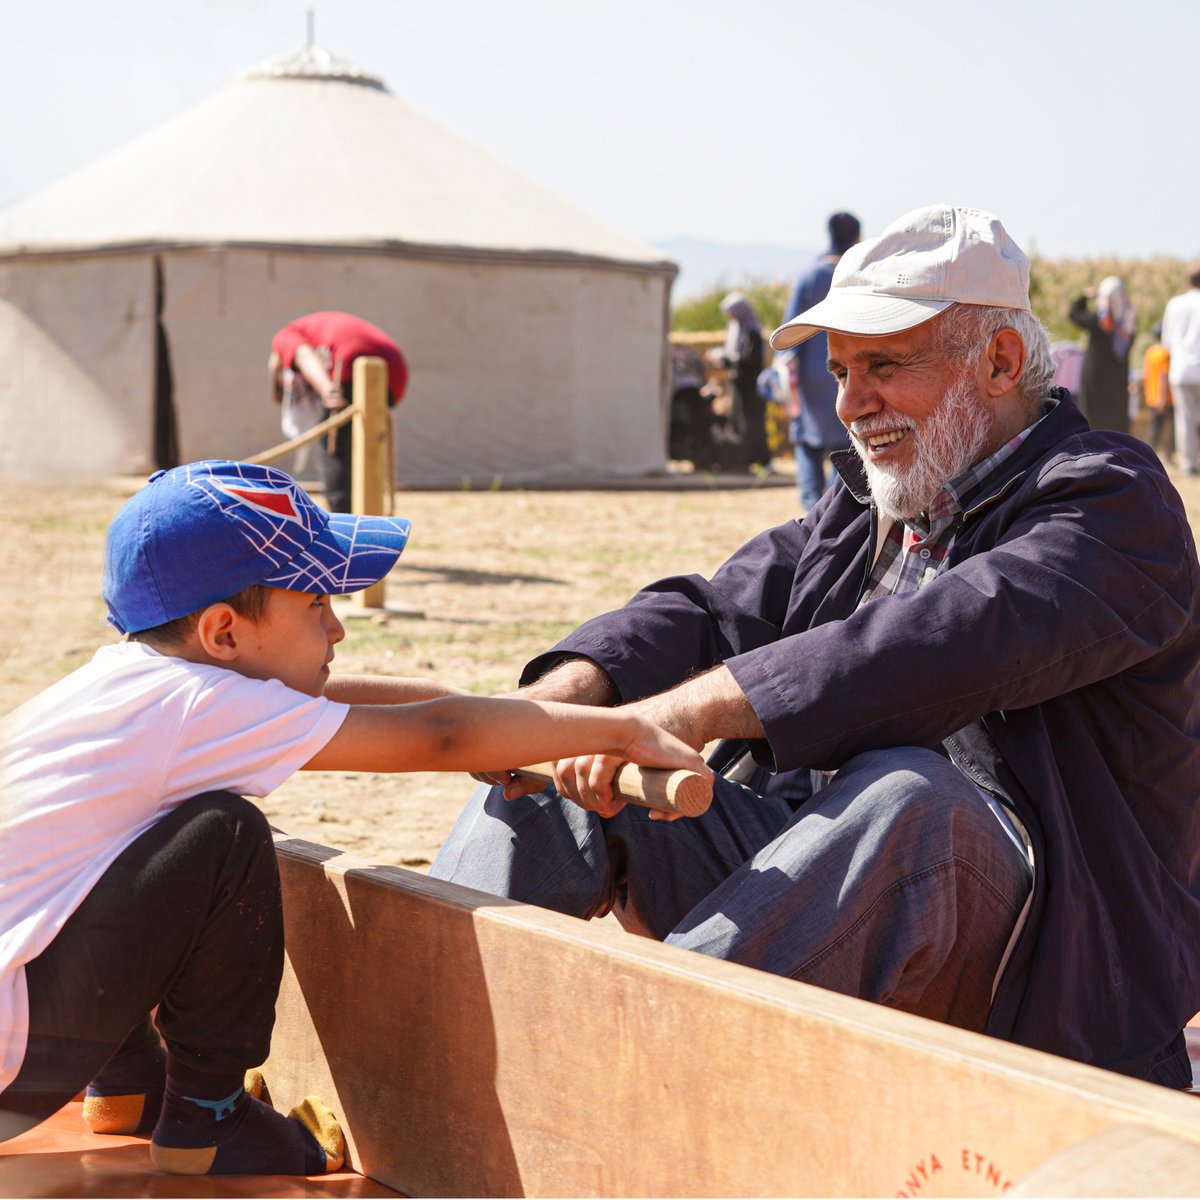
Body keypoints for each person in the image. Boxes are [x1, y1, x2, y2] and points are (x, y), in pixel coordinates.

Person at [430, 205, 1200, 1089]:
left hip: (1045, 982)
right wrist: (576, 692)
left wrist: (676, 713)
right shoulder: (873, 507)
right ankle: (419, 1057)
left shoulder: (1112, 507)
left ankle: (620, 1088)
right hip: (824, 908)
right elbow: (718, 608)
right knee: (554, 778)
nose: (849, 402)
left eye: (883, 365)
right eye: (838, 371)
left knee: (914, 798)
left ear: (999, 361)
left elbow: (936, 643)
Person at [0, 461, 704, 1174]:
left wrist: (501, 719)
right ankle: (207, 1122)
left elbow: (420, 709)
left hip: (23, 1032)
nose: (337, 626)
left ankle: (126, 1088)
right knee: (225, 834)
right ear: (222, 631)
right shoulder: (201, 707)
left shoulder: (123, 690)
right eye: (315, 605)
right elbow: (440, 735)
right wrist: (620, 732)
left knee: (143, 844)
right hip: (17, 1064)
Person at [269, 312, 409, 512]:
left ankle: (342, 516)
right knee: (364, 444)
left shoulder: (285, 335)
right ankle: (368, 510)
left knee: (334, 446)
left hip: (352, 362)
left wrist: (326, 386)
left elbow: (303, 354)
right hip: (394, 370)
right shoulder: (315, 327)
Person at [780, 212, 860, 511]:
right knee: (844, 444)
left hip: (809, 378)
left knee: (807, 443)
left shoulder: (809, 276)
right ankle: (831, 509)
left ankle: (810, 509)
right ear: (855, 238)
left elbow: (789, 331)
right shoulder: (853, 277)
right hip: (845, 373)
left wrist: (786, 376)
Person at [1067, 277, 1136, 432]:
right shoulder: (1128, 325)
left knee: (1094, 421)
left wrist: (1084, 297)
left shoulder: (1099, 322)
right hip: (1117, 383)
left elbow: (1074, 314)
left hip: (1095, 381)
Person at [708, 292, 768, 468]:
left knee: (753, 423)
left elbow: (750, 361)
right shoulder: (736, 331)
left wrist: (727, 359)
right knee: (739, 423)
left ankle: (762, 461)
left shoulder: (752, 333)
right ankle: (743, 460)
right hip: (739, 386)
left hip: (751, 387)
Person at [1162, 263, 1200, 475]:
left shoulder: (1176, 304)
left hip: (1182, 369)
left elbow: (1166, 341)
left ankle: (1188, 463)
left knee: (1184, 418)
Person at [1142, 321, 1173, 458]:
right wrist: (1162, 397)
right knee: (1171, 429)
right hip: (1165, 398)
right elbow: (1163, 376)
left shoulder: (1150, 351)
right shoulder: (1165, 353)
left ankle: (1148, 455)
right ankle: (1167, 455)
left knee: (1154, 429)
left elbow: (1146, 373)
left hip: (1151, 396)